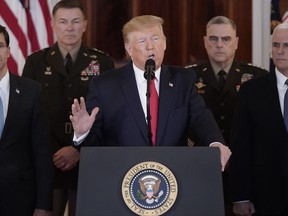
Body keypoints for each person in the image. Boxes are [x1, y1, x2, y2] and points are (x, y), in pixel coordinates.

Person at [70, 15, 231, 173]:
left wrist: (215, 143)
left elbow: (200, 116)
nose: (150, 46)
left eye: (155, 38)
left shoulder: (183, 80)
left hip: (173, 175)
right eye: (141, 41)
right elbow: (93, 146)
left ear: (165, 43)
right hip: (122, 177)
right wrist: (83, 133)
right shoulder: (105, 85)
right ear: (128, 48)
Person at [22, 0, 114, 215]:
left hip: (88, 161)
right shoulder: (36, 62)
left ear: (85, 24)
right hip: (46, 161)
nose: (69, 27)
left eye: (75, 21)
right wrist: (52, 152)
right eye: (63, 22)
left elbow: (109, 114)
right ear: (53, 25)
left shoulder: (103, 62)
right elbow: (26, 114)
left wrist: (78, 149)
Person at [186, 16, 268, 215]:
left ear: (237, 42)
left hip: (245, 170)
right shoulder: (187, 77)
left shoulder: (258, 77)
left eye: (226, 39)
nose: (219, 45)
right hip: (200, 167)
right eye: (213, 39)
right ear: (205, 42)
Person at [229, 23, 288, 215]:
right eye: (276, 45)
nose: (280, 51)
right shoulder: (251, 91)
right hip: (265, 196)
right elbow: (241, 146)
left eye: (287, 46)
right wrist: (241, 196)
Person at [0, 25, 52, 216]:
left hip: (20, 198)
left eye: (0, 45)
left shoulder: (31, 90)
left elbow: (42, 150)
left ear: (8, 51)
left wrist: (43, 203)